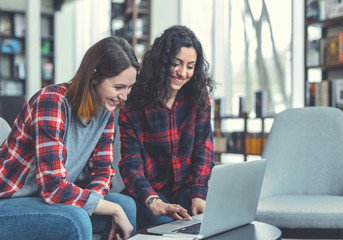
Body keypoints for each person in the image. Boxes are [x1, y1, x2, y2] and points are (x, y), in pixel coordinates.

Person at [0, 36, 139, 240]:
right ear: (94, 75)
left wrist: (103, 202)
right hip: (10, 202)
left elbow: (103, 170)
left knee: (127, 205)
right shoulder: (51, 102)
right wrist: (112, 209)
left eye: (129, 87)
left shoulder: (105, 112)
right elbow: (53, 187)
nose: (124, 97)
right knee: (77, 218)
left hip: (46, 202)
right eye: (118, 87)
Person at [118, 25, 215, 230]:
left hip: (188, 189)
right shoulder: (133, 102)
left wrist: (199, 194)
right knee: (165, 225)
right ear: (162, 62)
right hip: (150, 193)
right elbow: (131, 165)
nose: (183, 72)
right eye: (176, 63)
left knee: (210, 220)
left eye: (190, 66)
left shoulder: (198, 98)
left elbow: (204, 151)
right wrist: (153, 200)